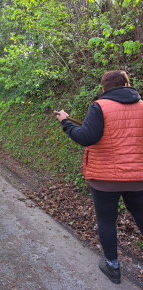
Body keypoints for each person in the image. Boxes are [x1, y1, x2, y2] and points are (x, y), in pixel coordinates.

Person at [56, 70, 143, 284]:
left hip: (105, 178)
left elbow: (87, 137)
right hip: (137, 177)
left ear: (104, 88)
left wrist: (66, 122)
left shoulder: (99, 106)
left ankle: (113, 267)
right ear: (127, 84)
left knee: (106, 220)